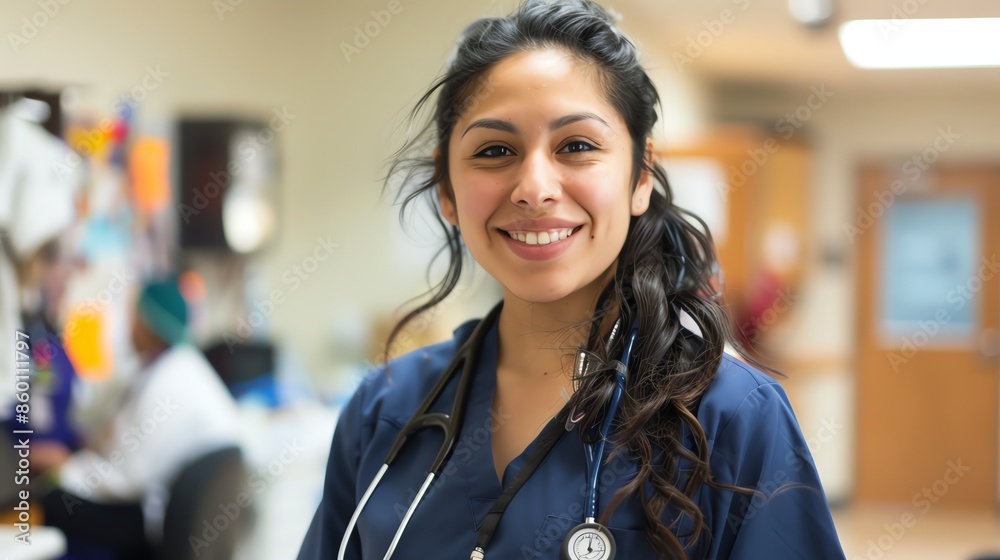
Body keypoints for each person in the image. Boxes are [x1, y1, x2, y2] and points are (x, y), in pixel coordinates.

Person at [298, 1, 845, 558]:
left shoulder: (731, 416)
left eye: (577, 146)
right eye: (494, 150)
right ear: (446, 190)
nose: (534, 187)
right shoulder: (384, 408)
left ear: (641, 176)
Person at [33, 277, 242, 558]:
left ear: (147, 323)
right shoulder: (173, 366)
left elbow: (127, 479)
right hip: (161, 506)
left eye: (132, 314)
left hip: (150, 518)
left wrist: (64, 468)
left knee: (51, 503)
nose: (127, 324)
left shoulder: (170, 381)